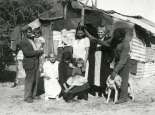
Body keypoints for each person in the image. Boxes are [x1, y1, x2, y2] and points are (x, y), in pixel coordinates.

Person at [85, 26, 113, 97]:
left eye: (102, 32)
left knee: (103, 76)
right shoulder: (94, 40)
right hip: (96, 60)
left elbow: (111, 51)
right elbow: (91, 51)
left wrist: (109, 59)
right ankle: (96, 91)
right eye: (99, 32)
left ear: (104, 33)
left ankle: (103, 91)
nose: (100, 34)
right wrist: (90, 59)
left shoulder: (107, 40)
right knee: (95, 76)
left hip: (103, 60)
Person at [19, 27, 43, 103]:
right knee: (29, 80)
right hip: (29, 63)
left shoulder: (32, 40)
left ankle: (33, 95)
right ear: (24, 33)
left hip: (35, 62)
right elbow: (27, 53)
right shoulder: (23, 41)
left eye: (30, 32)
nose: (30, 33)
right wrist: (38, 52)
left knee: (35, 79)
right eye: (28, 32)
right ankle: (27, 97)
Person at [110, 28, 131, 104]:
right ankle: (116, 94)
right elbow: (107, 43)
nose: (119, 39)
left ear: (123, 36)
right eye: (117, 38)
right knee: (117, 79)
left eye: (120, 38)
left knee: (123, 80)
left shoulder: (126, 44)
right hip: (118, 61)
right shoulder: (115, 40)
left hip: (125, 62)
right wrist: (96, 40)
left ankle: (123, 97)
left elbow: (123, 60)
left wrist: (115, 71)